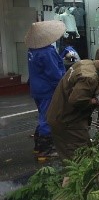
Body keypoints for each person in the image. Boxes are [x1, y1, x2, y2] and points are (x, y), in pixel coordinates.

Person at [47, 48, 99, 161]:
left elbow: (77, 84)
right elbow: (76, 100)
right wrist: (96, 101)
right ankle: (70, 179)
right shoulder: (89, 77)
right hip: (69, 123)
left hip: (59, 116)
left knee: (76, 159)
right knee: (79, 162)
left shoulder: (85, 63)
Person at [25, 20, 66, 161]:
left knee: (43, 115)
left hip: (37, 88)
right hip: (47, 89)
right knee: (49, 117)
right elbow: (53, 73)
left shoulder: (32, 50)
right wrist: (63, 86)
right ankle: (45, 149)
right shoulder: (47, 51)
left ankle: (38, 145)